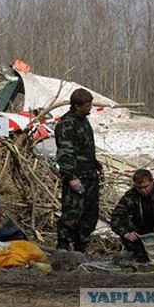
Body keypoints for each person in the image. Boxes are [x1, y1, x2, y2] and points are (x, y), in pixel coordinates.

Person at [54, 88, 102, 252]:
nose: (90, 108)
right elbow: (65, 153)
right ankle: (63, 245)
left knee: (90, 214)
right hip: (77, 178)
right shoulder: (66, 124)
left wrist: (96, 164)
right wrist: (71, 177)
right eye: (87, 105)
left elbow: (85, 147)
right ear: (77, 106)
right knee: (72, 214)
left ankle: (81, 246)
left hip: (90, 176)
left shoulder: (84, 121)